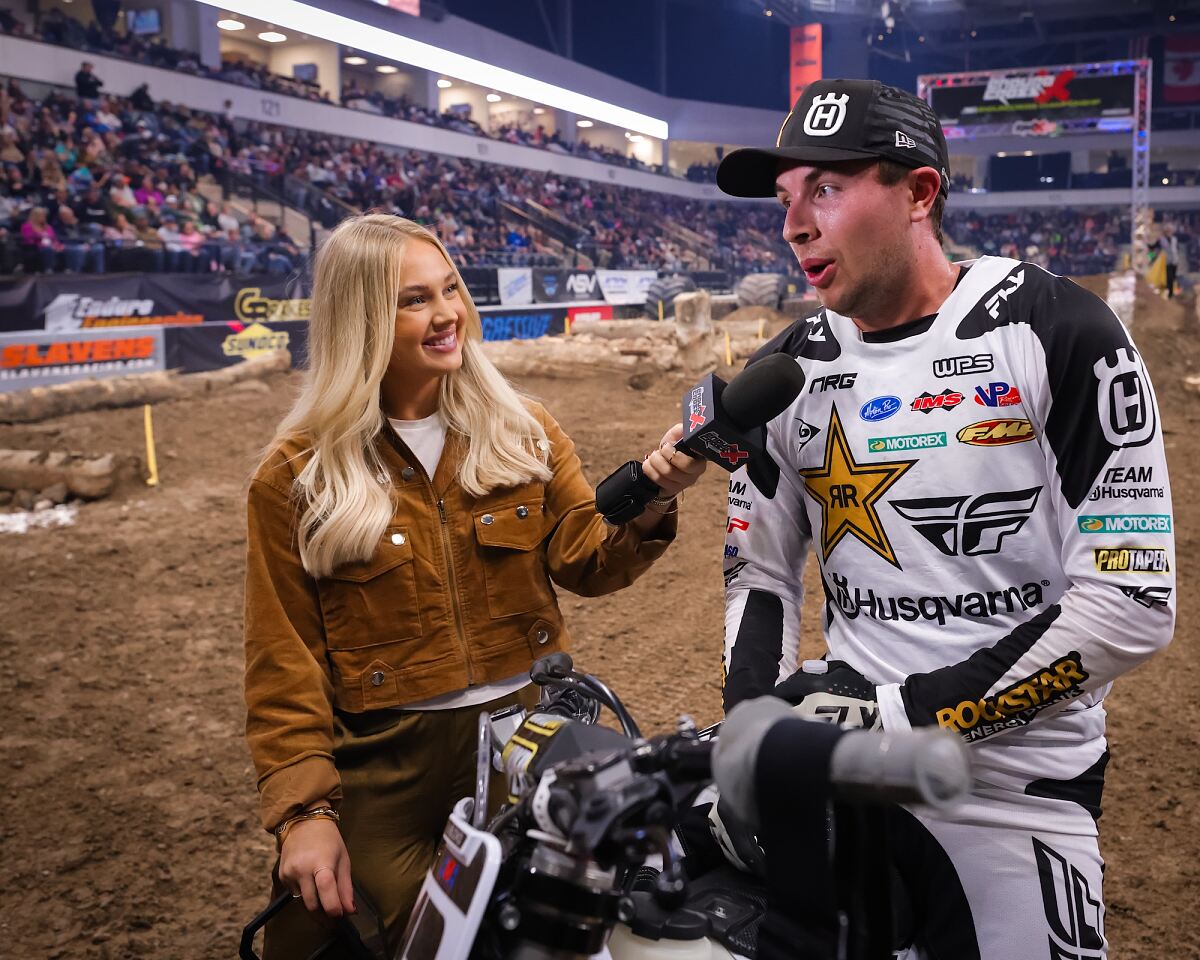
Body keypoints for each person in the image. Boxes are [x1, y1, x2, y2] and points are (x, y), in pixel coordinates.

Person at [714, 79, 1174, 959]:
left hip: (1013, 786)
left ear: (920, 193)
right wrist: (752, 731)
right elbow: (759, 573)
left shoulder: (1061, 331)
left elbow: (1131, 603)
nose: (794, 226)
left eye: (827, 190)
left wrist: (895, 716)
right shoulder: (786, 367)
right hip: (840, 778)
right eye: (786, 200)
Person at [243, 213, 705, 958]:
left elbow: (586, 559)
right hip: (383, 770)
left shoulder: (525, 429)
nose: (448, 313)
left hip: (524, 744)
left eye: (451, 289)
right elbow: (283, 658)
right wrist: (304, 815)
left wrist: (652, 498)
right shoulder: (295, 477)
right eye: (414, 300)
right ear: (361, 319)